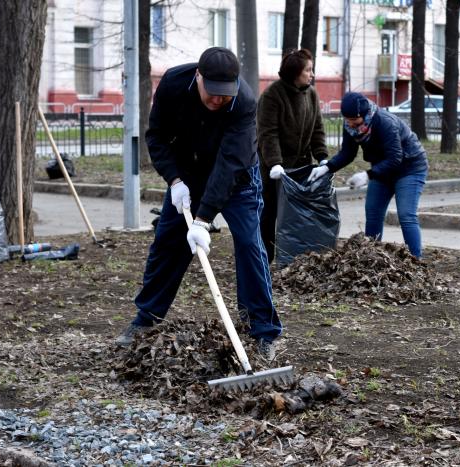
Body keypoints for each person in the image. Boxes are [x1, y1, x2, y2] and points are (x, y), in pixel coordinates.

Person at [116, 47, 282, 360]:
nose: (218, 101)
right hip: (188, 173)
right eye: (213, 93)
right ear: (198, 77)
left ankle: (263, 331)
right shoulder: (173, 85)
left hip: (238, 178)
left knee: (249, 244)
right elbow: (157, 137)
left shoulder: (244, 102)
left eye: (225, 95)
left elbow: (230, 162)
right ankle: (146, 320)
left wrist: (203, 220)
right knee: (168, 242)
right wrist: (175, 181)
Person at [307, 92, 429, 258]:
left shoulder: (384, 122)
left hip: (409, 168)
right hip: (382, 170)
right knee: (373, 214)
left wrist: (367, 175)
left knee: (406, 215)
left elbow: (395, 158)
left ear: (364, 115)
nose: (350, 123)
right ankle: (370, 258)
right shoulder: (351, 125)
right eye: (346, 119)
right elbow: (348, 153)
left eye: (353, 119)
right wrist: (327, 168)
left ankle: (416, 260)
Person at [256, 48, 329, 263]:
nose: (312, 74)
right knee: (269, 214)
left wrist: (322, 156)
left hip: (301, 166)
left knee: (297, 216)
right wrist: (274, 164)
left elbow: (317, 128)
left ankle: (295, 258)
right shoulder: (272, 95)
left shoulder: (311, 94)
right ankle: (264, 259)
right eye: (308, 70)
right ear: (295, 72)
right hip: (275, 170)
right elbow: (267, 133)